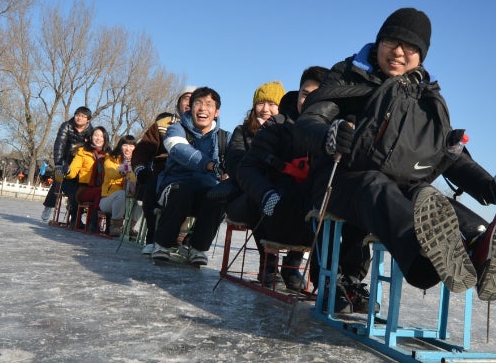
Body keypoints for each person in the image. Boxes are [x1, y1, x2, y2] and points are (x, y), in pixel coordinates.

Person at [295, 7, 496, 301]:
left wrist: (489, 186)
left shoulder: (426, 97)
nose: (398, 51)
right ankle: (424, 259)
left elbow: (450, 153)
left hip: (399, 188)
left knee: (426, 198)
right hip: (341, 180)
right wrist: (328, 135)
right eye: (391, 42)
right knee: (376, 185)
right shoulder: (347, 74)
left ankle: (480, 247)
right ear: (378, 42)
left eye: (409, 47)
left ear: (420, 56)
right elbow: (309, 120)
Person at [237, 67, 374, 312]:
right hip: (281, 211)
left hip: (323, 213)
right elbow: (247, 168)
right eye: (304, 93)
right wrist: (267, 194)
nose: (309, 100)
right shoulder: (276, 126)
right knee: (313, 207)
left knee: (357, 207)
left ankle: (349, 281)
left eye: (318, 94)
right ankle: (326, 282)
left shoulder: (341, 130)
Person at [150, 87, 229, 267]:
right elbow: (179, 150)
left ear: (216, 111)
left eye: (209, 104)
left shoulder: (225, 137)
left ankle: (197, 247)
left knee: (219, 195)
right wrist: (210, 165)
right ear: (190, 108)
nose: (203, 109)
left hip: (206, 191)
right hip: (175, 186)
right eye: (198, 103)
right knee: (183, 190)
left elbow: (237, 158)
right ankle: (162, 243)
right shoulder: (176, 129)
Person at [222, 81, 284, 286]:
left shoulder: (288, 131)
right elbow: (235, 165)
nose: (265, 109)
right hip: (244, 196)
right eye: (261, 103)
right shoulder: (242, 131)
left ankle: (292, 267)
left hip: (279, 194)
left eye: (272, 104)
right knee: (261, 199)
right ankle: (268, 264)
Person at [132, 87, 195, 254]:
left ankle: (190, 242)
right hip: (163, 169)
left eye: (193, 99)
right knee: (151, 186)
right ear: (178, 103)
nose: (189, 103)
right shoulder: (163, 124)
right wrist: (140, 169)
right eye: (185, 98)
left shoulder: (205, 127)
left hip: (192, 172)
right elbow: (142, 150)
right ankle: (152, 237)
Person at [41, 106, 94, 222]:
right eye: (77, 115)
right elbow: (59, 144)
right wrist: (59, 164)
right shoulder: (67, 125)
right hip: (65, 159)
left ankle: (73, 210)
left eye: (82, 116)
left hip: (80, 163)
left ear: (88, 120)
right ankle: (49, 206)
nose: (79, 118)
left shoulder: (91, 132)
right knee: (57, 181)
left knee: (78, 187)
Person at [65, 126, 108, 232]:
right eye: (96, 135)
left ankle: (93, 223)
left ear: (105, 139)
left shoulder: (108, 155)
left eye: (101, 136)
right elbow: (74, 170)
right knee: (101, 191)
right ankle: (92, 223)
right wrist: (68, 172)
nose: (98, 138)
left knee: (102, 192)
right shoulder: (82, 152)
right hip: (84, 189)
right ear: (91, 137)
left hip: (102, 189)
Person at [100, 134, 141, 236]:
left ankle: (130, 227)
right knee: (122, 194)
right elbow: (111, 172)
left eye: (131, 146)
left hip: (130, 200)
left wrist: (131, 167)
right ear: (120, 145)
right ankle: (115, 226)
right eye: (125, 145)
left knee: (142, 201)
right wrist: (123, 170)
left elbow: (136, 179)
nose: (128, 148)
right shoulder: (110, 158)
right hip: (109, 199)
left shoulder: (138, 162)